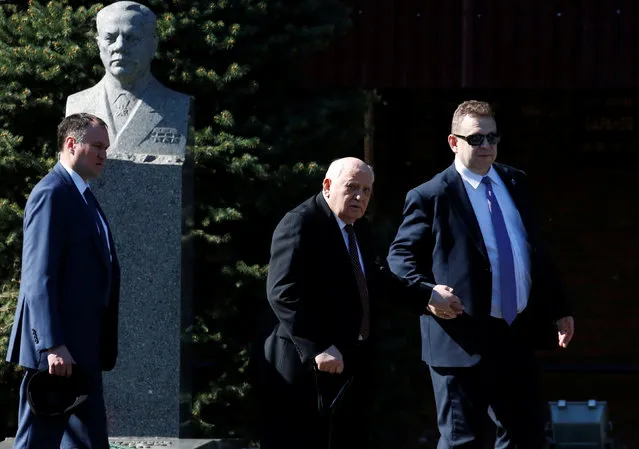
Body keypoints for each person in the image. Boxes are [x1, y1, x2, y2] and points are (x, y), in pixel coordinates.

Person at [387, 100, 575, 448]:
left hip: (515, 331)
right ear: (453, 142)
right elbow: (400, 260)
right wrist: (428, 295)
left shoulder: (515, 182)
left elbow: (533, 250)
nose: (486, 146)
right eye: (476, 139)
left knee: (527, 436)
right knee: (464, 441)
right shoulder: (432, 195)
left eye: (492, 137)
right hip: (462, 335)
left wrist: (559, 307)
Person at [256, 157, 438, 449]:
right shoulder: (301, 222)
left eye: (366, 191)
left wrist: (427, 295)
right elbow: (282, 291)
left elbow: (376, 279)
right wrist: (317, 346)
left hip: (349, 362)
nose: (360, 197)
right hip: (304, 365)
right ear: (327, 186)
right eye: (352, 187)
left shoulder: (357, 228)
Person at [6, 113, 121, 449]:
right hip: (56, 356)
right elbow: (37, 276)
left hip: (82, 351)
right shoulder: (52, 193)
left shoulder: (83, 195)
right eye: (97, 146)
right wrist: (53, 344)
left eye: (106, 147)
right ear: (72, 144)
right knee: (36, 443)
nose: (104, 154)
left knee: (90, 443)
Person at [66, 1, 189, 154]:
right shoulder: (78, 104)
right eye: (110, 38)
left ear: (153, 46)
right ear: (99, 45)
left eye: (132, 38)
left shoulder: (176, 106)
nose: (120, 46)